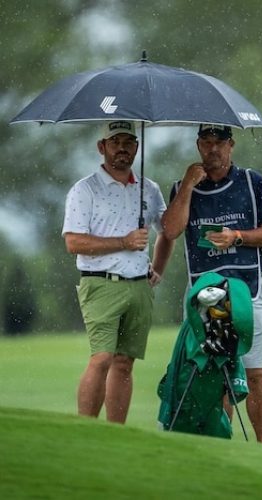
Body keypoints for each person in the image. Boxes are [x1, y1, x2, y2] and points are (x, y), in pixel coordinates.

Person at [162, 124, 262, 443]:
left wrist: (237, 237)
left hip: (249, 290)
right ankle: (221, 446)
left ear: (232, 145)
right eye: (206, 142)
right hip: (205, 296)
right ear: (198, 144)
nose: (212, 149)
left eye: (219, 143)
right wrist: (187, 185)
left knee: (256, 373)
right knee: (214, 376)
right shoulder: (182, 187)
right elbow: (171, 231)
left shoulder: (252, 182)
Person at [62, 120, 174, 424]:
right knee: (102, 358)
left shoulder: (148, 189)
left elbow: (169, 231)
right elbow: (74, 242)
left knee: (125, 363)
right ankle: (87, 429)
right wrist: (123, 242)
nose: (122, 148)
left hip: (139, 286)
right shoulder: (85, 190)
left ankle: (116, 433)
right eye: (115, 142)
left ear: (137, 147)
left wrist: (158, 270)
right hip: (101, 284)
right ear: (102, 147)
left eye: (128, 142)